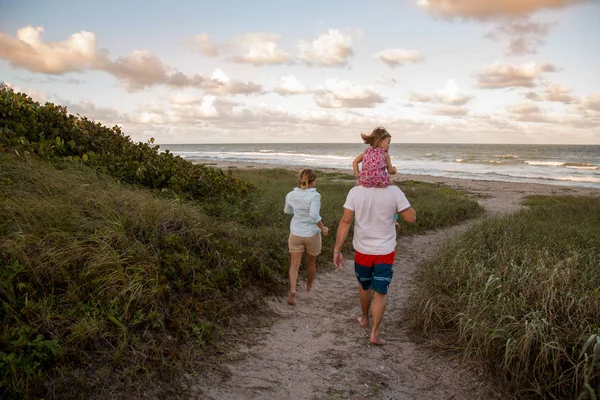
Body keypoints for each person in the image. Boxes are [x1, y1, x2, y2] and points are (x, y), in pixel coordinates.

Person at [332, 184, 416, 345]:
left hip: (363, 250)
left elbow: (345, 221)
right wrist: (404, 202)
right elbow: (411, 218)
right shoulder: (394, 191)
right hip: (385, 251)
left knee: (364, 286)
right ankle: (374, 334)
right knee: (380, 292)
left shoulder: (355, 191)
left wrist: (337, 249)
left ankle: (364, 318)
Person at [284, 169, 329, 305]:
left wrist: (298, 212)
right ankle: (309, 287)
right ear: (313, 181)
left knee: (294, 265)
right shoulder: (315, 196)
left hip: (296, 233)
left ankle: (293, 290)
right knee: (311, 263)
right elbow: (314, 216)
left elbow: (287, 211)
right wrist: (323, 228)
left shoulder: (291, 194)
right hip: (312, 234)